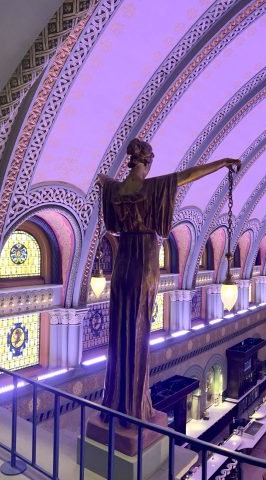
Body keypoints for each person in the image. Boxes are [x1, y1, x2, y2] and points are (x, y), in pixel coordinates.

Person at [96, 138, 238, 423]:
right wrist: (222, 162)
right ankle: (135, 409)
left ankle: (115, 402)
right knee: (138, 331)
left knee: (120, 330)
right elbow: (188, 175)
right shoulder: (154, 187)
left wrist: (102, 178)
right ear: (147, 163)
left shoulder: (112, 188)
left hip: (122, 264)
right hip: (144, 262)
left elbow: (100, 179)